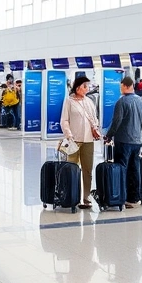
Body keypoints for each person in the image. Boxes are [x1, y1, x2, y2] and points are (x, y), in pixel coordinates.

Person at [104, 76, 142, 208]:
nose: (120, 89)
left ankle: (121, 196)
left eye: (121, 86)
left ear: (126, 86)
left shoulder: (121, 102)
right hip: (137, 141)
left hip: (123, 141)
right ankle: (134, 198)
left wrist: (109, 135)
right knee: (134, 169)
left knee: (121, 168)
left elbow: (116, 121)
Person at [61, 76, 102, 210]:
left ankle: (86, 197)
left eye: (88, 86)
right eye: (85, 86)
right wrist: (69, 134)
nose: (87, 89)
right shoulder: (69, 101)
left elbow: (94, 118)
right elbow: (64, 120)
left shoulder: (89, 101)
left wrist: (95, 127)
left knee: (87, 170)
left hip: (88, 140)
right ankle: (72, 196)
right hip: (74, 140)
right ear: (77, 87)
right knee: (72, 169)